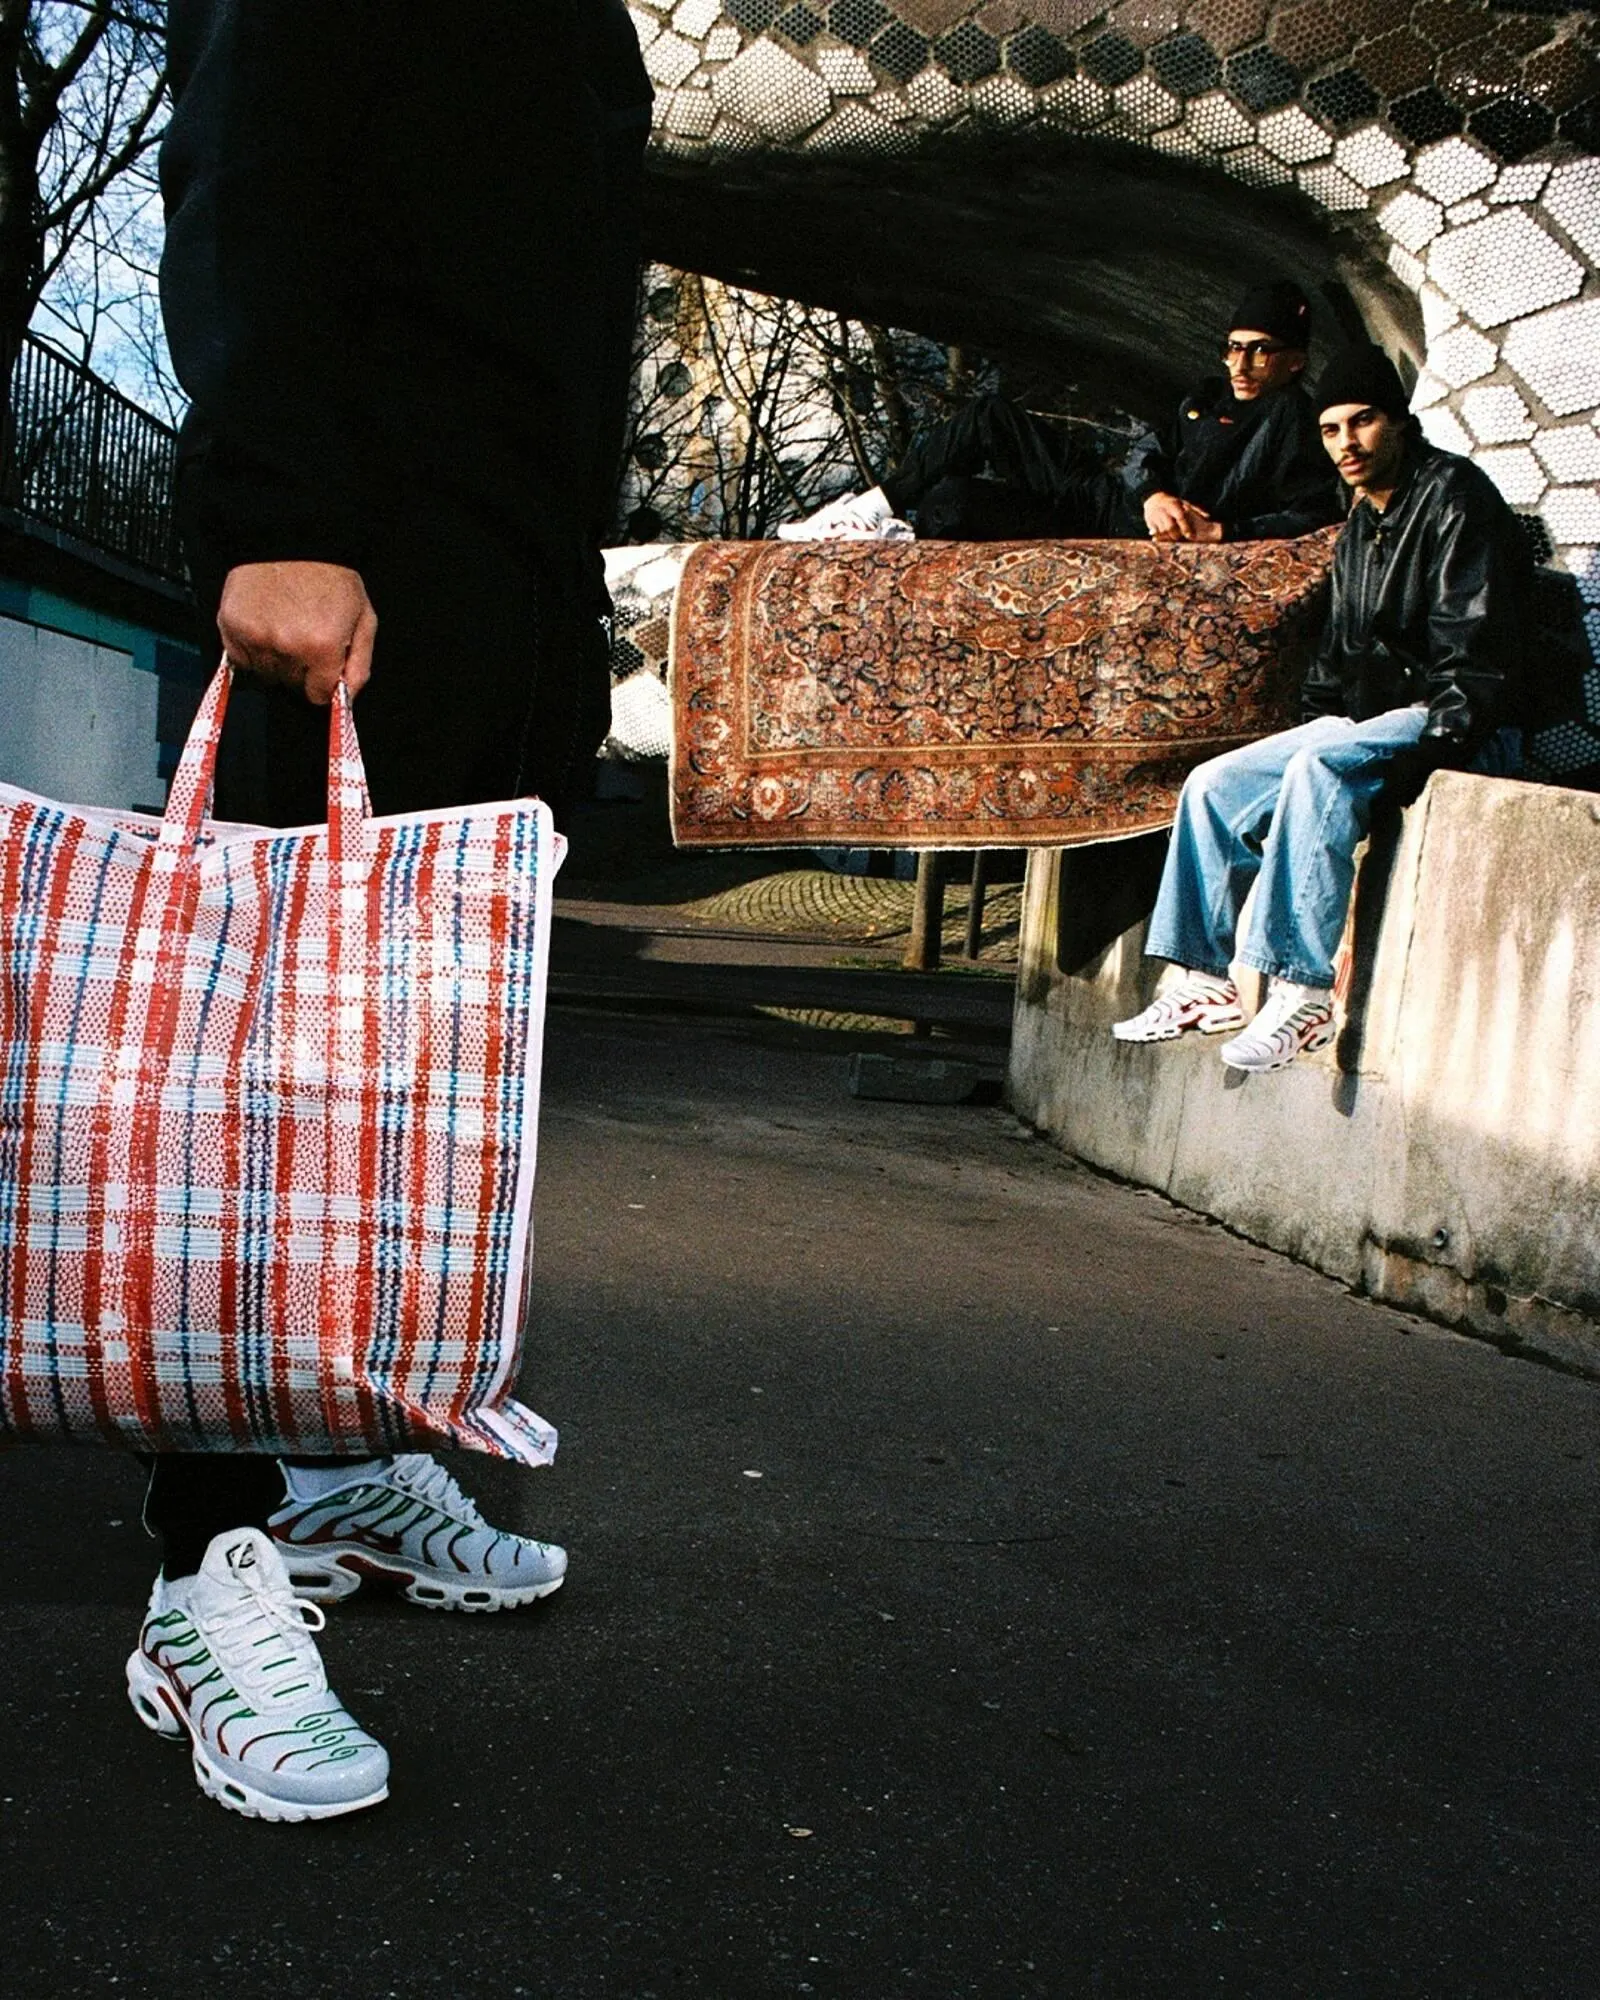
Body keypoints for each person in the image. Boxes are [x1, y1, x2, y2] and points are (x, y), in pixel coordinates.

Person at [126, 0, 652, 1821]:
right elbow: (255, 137)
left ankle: (333, 1464)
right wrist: (276, 503)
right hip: (359, 540)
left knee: (416, 1096)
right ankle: (204, 1572)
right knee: (255, 1086)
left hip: (508, 572)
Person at [1111, 343, 1529, 1074]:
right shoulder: (1359, 526)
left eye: (1363, 423)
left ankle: (1300, 990)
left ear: (1398, 422)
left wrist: (1429, 746)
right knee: (1215, 783)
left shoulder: (1456, 497)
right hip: (1368, 717)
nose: (1347, 444)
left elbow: (1477, 651)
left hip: (1447, 714)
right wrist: (1314, 721)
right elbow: (1336, 663)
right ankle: (1204, 980)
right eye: (1332, 430)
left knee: (1320, 765)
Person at [779, 280, 1340, 546]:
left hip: (1120, 534)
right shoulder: (1204, 396)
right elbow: (1149, 453)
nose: (1242, 362)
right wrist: (1153, 494)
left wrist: (1222, 530)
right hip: (1113, 504)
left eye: (1260, 350)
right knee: (991, 417)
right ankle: (865, 509)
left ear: (1293, 362)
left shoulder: (1292, 419)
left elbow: (1313, 514)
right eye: (1234, 347)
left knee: (955, 502)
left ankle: (893, 531)